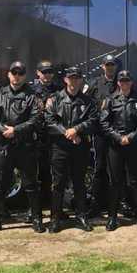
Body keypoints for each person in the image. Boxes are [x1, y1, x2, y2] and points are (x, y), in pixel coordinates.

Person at [0, 61, 45, 234]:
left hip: (25, 146)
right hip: (4, 146)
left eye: (20, 73)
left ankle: (37, 219)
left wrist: (15, 130)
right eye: (14, 73)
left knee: (31, 184)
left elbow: (37, 119)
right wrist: (4, 130)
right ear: (8, 74)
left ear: (25, 75)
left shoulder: (33, 95)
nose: (17, 76)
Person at [45, 66, 97, 233]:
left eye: (77, 78)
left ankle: (81, 217)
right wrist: (68, 132)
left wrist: (77, 129)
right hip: (60, 147)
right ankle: (55, 218)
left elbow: (94, 120)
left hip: (80, 147)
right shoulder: (55, 99)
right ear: (65, 80)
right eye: (70, 78)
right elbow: (49, 120)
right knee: (58, 184)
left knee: (79, 183)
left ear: (81, 80)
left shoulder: (88, 101)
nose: (73, 81)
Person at [100, 70, 137, 231]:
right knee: (115, 182)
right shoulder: (109, 100)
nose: (124, 83)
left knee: (135, 181)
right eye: (121, 81)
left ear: (131, 82)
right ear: (118, 83)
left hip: (134, 146)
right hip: (115, 147)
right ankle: (113, 217)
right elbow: (103, 123)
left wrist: (130, 137)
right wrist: (118, 137)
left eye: (127, 80)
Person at [86, 54, 119, 217]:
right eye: (107, 65)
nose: (110, 67)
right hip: (100, 133)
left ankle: (119, 204)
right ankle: (96, 205)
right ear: (102, 66)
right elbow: (86, 104)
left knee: (118, 169)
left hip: (117, 132)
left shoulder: (122, 82)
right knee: (99, 168)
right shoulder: (94, 84)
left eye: (112, 64)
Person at [30, 60, 63, 208]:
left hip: (54, 136)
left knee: (55, 173)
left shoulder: (59, 90)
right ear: (38, 73)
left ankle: (54, 207)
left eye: (50, 72)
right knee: (35, 174)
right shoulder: (31, 91)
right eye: (44, 72)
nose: (47, 75)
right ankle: (34, 209)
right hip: (37, 137)